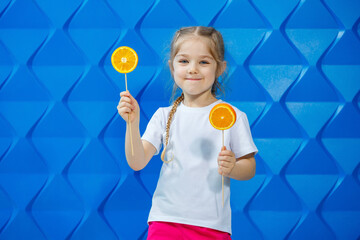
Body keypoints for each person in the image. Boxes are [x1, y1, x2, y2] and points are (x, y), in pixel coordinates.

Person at [117, 26, 258, 240]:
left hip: (212, 226)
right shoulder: (163, 116)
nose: (192, 69)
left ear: (220, 68)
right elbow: (137, 161)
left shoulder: (233, 116)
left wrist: (233, 167)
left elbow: (249, 168)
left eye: (203, 62)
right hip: (165, 221)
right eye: (184, 61)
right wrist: (132, 123)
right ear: (171, 67)